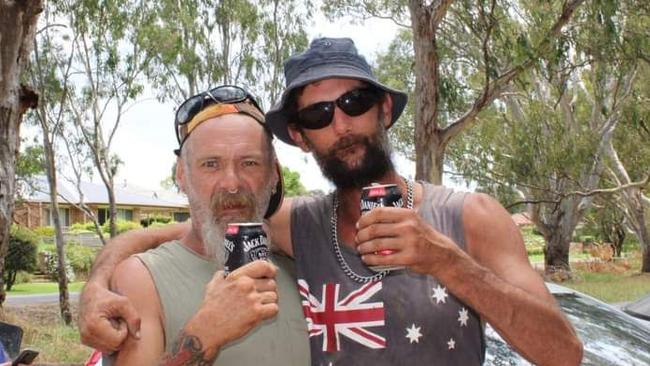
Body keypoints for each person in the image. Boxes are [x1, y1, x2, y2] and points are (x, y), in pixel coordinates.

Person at [79, 38, 583, 365]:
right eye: (319, 115)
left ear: (384, 108)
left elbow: (564, 353)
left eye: (354, 103)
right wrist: (97, 286)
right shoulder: (299, 225)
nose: (340, 124)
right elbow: (183, 230)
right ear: (299, 137)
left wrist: (446, 260)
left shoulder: (469, 216)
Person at [101, 86, 309, 365]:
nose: (232, 184)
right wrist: (207, 332)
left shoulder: (301, 258)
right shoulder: (142, 278)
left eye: (249, 163)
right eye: (211, 164)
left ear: (273, 174)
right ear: (182, 175)